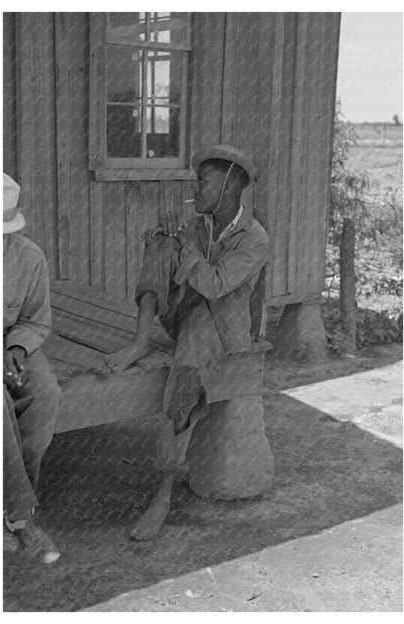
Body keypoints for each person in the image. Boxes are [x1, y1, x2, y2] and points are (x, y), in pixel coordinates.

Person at [105, 146, 269, 540]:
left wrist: (188, 248)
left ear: (229, 186)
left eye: (202, 182)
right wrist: (166, 238)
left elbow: (215, 285)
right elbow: (178, 267)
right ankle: (141, 341)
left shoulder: (254, 238)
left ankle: (164, 491)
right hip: (187, 316)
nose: (195, 189)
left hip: (222, 332)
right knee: (161, 241)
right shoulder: (199, 224)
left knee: (185, 380)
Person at [3, 173, 62, 564]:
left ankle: (4, 509)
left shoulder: (28, 256)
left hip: (11, 341)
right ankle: (21, 518)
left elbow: (36, 320)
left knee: (45, 393)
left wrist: (17, 347)